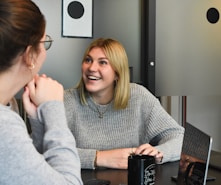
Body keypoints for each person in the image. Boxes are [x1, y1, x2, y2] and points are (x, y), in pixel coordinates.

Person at [64, 38, 185, 169]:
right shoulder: (66, 101)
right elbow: (45, 153)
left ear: (117, 73)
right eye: (88, 60)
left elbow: (178, 137)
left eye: (103, 62)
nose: (92, 68)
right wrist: (99, 157)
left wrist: (160, 152)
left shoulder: (139, 96)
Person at [0, 0, 83, 184]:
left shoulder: (9, 106)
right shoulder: (4, 125)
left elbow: (29, 174)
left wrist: (38, 121)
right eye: (44, 42)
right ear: (29, 55)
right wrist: (53, 109)